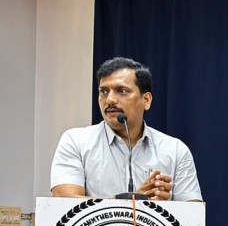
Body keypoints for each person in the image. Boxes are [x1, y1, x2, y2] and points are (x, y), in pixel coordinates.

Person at [50, 57, 203, 202]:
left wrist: (161, 209)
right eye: (103, 91)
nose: (110, 100)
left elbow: (193, 214)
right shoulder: (76, 141)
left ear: (146, 100)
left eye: (122, 91)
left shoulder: (175, 150)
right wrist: (131, 202)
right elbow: (65, 201)